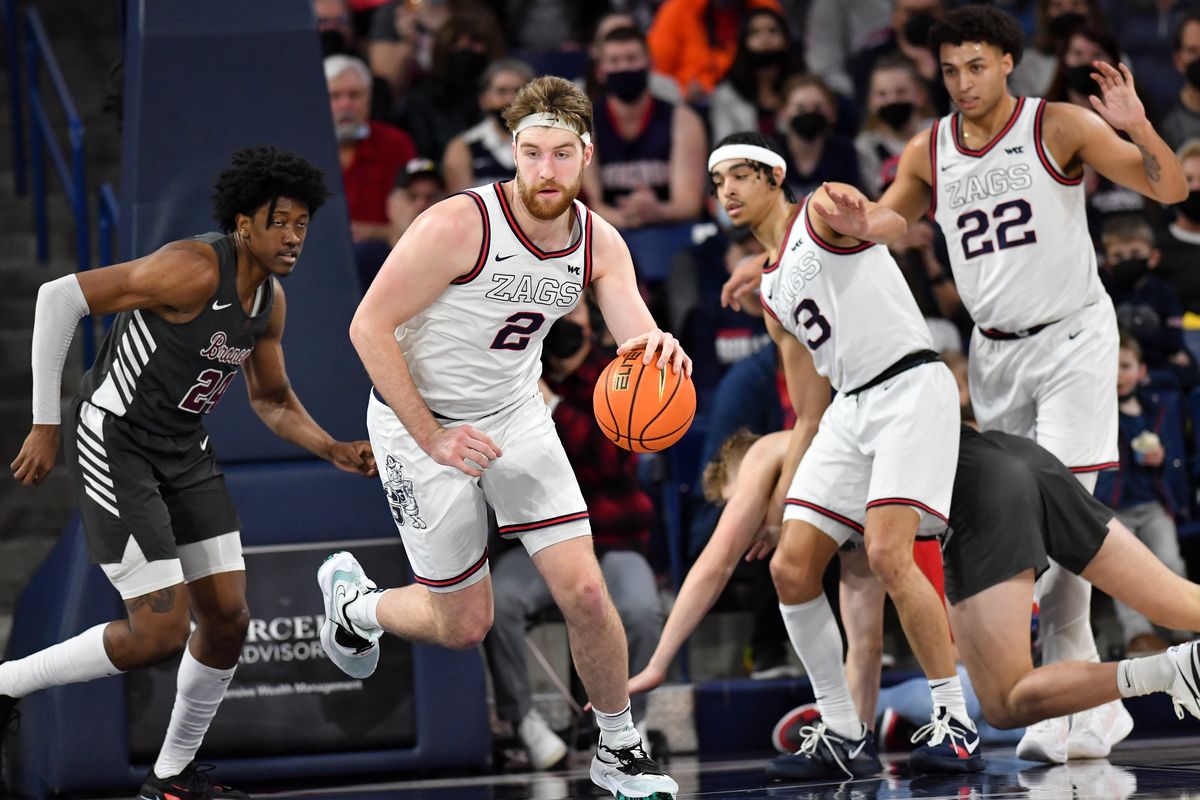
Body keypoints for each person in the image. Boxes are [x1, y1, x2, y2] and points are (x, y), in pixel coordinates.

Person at [725, 3, 1187, 763]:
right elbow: (880, 226)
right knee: (1027, 527)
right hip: (994, 351)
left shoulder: (1057, 125)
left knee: (1065, 527)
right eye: (949, 70)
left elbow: (1166, 190)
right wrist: (782, 251)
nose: (963, 83)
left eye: (977, 66)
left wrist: (1138, 125)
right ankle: (1079, 701)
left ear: (1008, 62)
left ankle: (1082, 706)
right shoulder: (929, 149)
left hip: (1072, 337)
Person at [318, 76, 686, 800]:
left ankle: (619, 747)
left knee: (585, 588)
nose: (543, 171)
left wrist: (661, 352)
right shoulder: (460, 224)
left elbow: (636, 340)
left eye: (559, 154)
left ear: (586, 155)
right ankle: (354, 605)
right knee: (464, 624)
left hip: (515, 413)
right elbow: (367, 327)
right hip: (415, 418)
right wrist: (431, 436)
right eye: (529, 152)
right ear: (513, 152)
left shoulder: (598, 243)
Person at [5, 147, 376, 800]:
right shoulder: (192, 268)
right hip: (116, 440)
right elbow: (58, 297)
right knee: (158, 632)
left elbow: (271, 400)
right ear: (242, 225)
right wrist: (45, 422)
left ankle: (170, 779)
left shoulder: (269, 302)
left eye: (302, 224)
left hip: (183, 450)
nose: (293, 236)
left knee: (229, 620)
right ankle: (6, 685)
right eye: (279, 221)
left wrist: (331, 448)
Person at [627, 425, 1200, 775]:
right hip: (1019, 460)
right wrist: (850, 731)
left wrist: (657, 661)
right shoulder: (850, 513)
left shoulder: (768, 453)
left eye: (741, 510)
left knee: (1004, 703)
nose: (753, 531)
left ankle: (1169, 671)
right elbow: (865, 643)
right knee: (1181, 604)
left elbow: (714, 563)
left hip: (984, 497)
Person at [708, 133, 981, 780]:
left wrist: (874, 222)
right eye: (718, 184)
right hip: (849, 408)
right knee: (792, 569)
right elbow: (808, 410)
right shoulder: (770, 293)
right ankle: (839, 730)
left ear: (776, 176)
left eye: (740, 176)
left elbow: (887, 218)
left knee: (888, 553)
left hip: (910, 382)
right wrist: (779, 502)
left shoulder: (824, 206)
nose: (727, 192)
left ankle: (955, 719)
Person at [484, 304, 664, 770]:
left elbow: (614, 458)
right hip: (542, 542)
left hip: (611, 538)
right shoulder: (511, 374)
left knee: (642, 608)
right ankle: (522, 723)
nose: (565, 321)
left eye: (577, 312)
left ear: (592, 320)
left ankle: (630, 730)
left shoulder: (614, 376)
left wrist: (555, 408)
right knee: (498, 602)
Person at [1096, 333, 1191, 655]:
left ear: (1141, 371)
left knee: (1169, 562)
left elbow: (1175, 457)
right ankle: (1138, 634)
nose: (1119, 374)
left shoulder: (1156, 409)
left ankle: (1181, 627)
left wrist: (1163, 458)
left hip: (1152, 504)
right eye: (1111, 366)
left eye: (1126, 366)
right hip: (1113, 507)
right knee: (1123, 573)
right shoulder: (1101, 412)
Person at [582, 26, 707, 230]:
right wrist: (625, 218)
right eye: (614, 61)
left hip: (670, 231)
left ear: (650, 64)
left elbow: (689, 204)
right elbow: (591, 204)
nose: (624, 67)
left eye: (632, 58)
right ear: (599, 72)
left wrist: (656, 210)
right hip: (604, 232)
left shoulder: (683, 120)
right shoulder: (584, 123)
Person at [326, 54, 417, 245]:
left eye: (354, 95)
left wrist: (373, 232)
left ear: (369, 97)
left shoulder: (396, 144)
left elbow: (413, 220)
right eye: (335, 96)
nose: (345, 105)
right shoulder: (305, 148)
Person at [708, 8, 805, 145]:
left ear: (786, 39)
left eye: (773, 31)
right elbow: (724, 145)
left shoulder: (802, 88)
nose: (765, 39)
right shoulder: (727, 94)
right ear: (743, 41)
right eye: (755, 33)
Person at [442, 59, 535, 194]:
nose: (510, 99)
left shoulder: (551, 144)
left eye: (518, 91)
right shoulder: (463, 147)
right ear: (483, 100)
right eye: (501, 91)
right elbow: (461, 205)